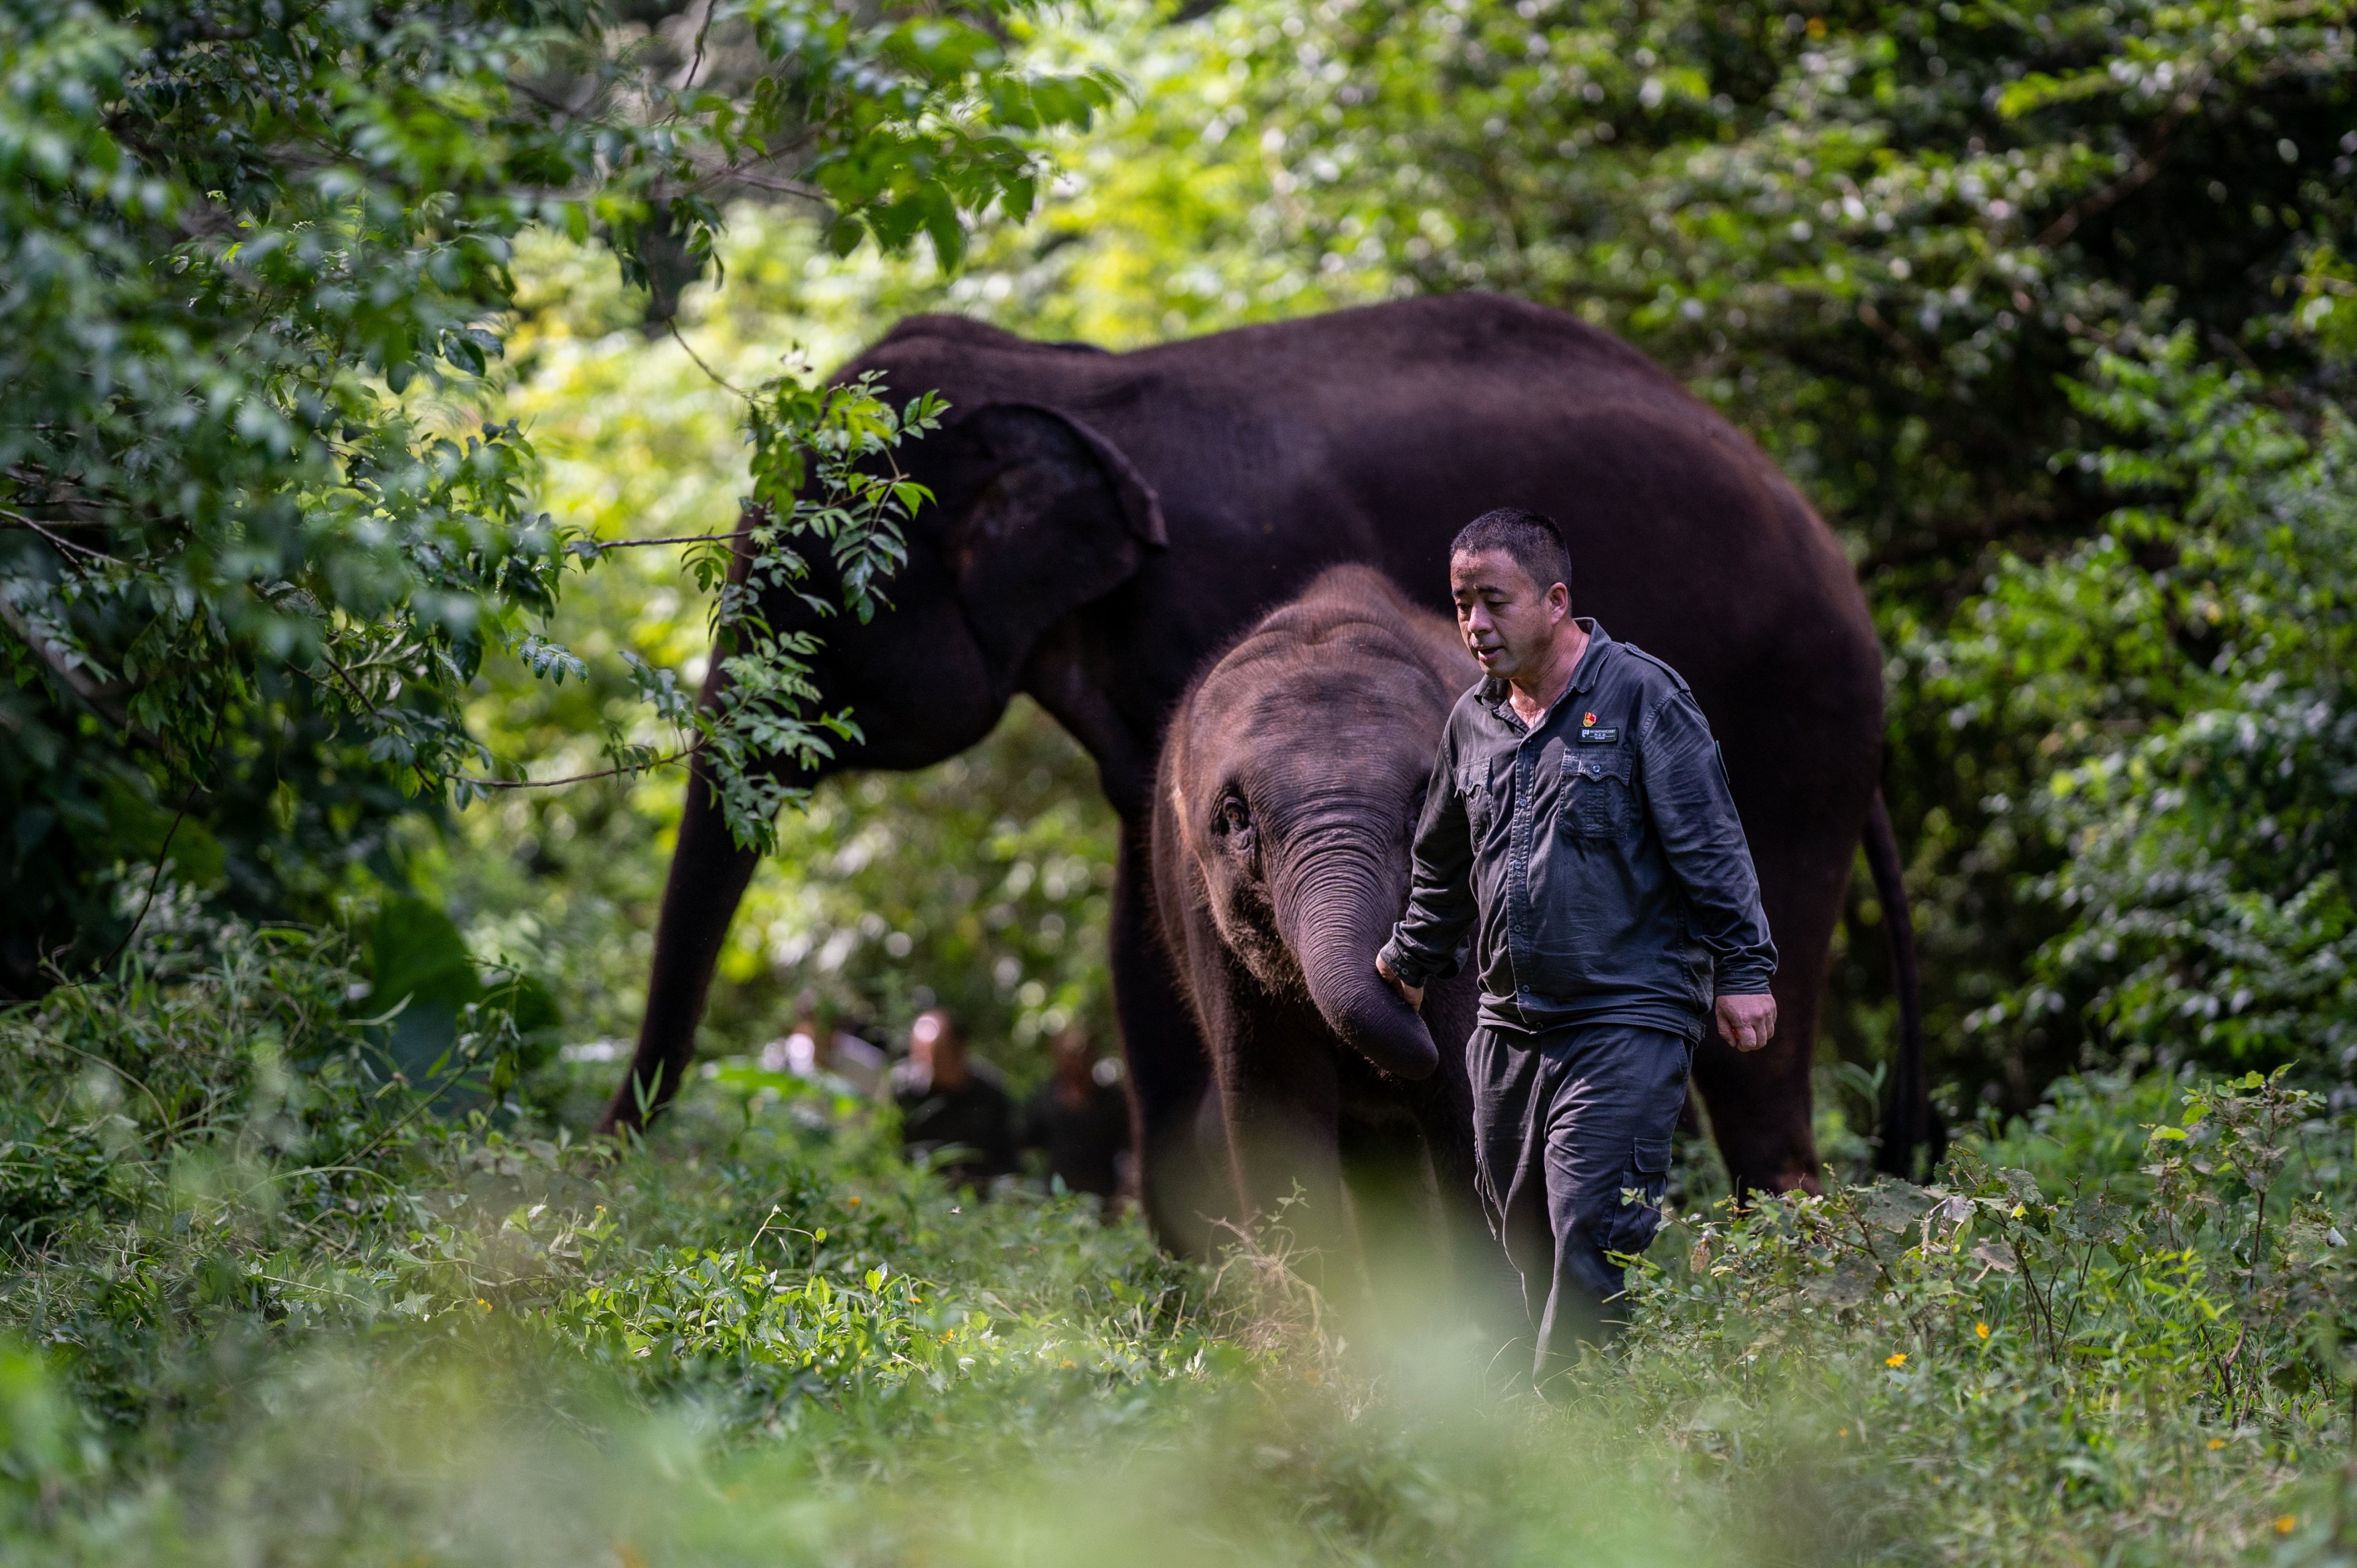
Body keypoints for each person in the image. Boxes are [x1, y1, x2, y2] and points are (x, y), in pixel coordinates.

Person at [1375, 508, 1778, 1380]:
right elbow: (1441, 864)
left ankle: (1577, 1443)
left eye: (1495, 601)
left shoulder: (1641, 697)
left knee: (1592, 1231)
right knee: (1523, 1241)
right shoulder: (1472, 724)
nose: (1476, 625)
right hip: (1508, 1033)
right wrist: (1407, 961)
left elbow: (1710, 843)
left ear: (1555, 601)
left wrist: (1744, 968)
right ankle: (1542, 1432)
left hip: (1625, 1018)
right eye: (1461, 604)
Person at [890, 1009, 1017, 1190]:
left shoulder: (990, 1093)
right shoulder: (903, 1093)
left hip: (978, 1199)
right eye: (918, 1055)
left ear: (959, 1049)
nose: (925, 1064)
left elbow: (1007, 1158)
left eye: (933, 1054)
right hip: (920, 1195)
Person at [1020, 1028, 1132, 1206]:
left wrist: (1126, 1192)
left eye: (1080, 1055)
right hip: (1058, 1204)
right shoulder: (1044, 1101)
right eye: (1067, 1056)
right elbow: (1023, 1146)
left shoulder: (1114, 1102)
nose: (1075, 1064)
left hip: (1105, 1202)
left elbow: (1130, 1152)